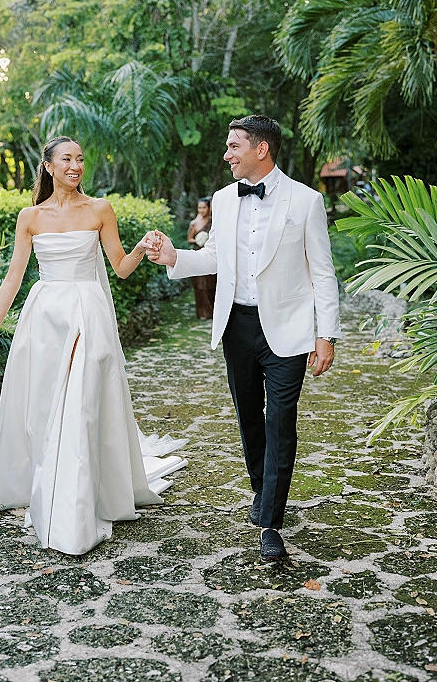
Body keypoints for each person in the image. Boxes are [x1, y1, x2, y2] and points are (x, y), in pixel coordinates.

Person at [0, 136, 186, 556]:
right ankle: (50, 485)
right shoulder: (29, 217)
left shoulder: (99, 209)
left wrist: (141, 248)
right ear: (48, 166)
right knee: (46, 408)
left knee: (83, 403)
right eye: (67, 159)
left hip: (88, 313)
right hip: (45, 318)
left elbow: (120, 268)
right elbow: (14, 276)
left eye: (80, 159)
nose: (75, 166)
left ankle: (79, 501)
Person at [146, 115, 341, 561]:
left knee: (280, 422)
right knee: (249, 418)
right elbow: (214, 256)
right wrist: (174, 257)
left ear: (261, 149)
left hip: (288, 329)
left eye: (234, 146)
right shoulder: (223, 199)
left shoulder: (306, 201)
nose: (226, 155)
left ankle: (271, 521)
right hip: (236, 326)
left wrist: (326, 334)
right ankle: (262, 490)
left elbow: (323, 272)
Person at [187, 197, 217, 319]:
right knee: (200, 283)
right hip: (198, 253)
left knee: (212, 282)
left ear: (209, 208)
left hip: (211, 253)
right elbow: (189, 239)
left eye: (204, 207)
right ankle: (203, 312)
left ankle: (214, 311)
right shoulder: (194, 223)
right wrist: (199, 239)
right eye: (199, 208)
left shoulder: (213, 221)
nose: (201, 210)